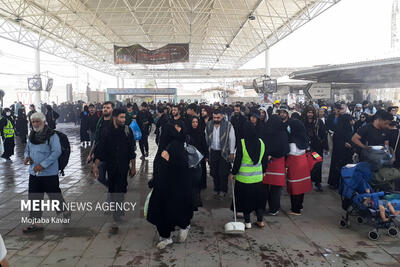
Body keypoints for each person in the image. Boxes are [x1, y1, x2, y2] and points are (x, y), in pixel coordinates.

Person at [147, 122, 193, 249]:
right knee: (164, 211)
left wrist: (169, 160)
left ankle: (181, 228)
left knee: (168, 211)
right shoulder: (169, 145)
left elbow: (182, 166)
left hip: (172, 186)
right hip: (166, 186)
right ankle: (167, 236)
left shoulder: (174, 146)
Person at [23, 112, 70, 233]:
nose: (35, 124)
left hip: (49, 173)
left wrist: (42, 165)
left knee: (54, 195)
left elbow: (56, 152)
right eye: (33, 122)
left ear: (44, 122)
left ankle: (65, 210)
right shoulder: (31, 135)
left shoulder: (52, 136)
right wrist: (26, 157)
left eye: (38, 121)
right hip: (34, 173)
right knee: (34, 197)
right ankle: (36, 222)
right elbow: (27, 149)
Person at [93, 108, 136, 234]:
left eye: (124, 117)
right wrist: (95, 166)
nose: (123, 120)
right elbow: (100, 150)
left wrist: (133, 167)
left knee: (121, 189)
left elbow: (131, 151)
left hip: (123, 167)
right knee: (113, 189)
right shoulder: (106, 131)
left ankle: (118, 213)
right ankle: (117, 215)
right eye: (121, 117)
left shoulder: (128, 131)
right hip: (111, 167)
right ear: (115, 118)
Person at [230, 122, 268, 229]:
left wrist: (233, 173)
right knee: (259, 201)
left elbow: (237, 161)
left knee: (245, 201)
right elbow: (264, 160)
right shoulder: (261, 142)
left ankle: (247, 223)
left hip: (244, 179)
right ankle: (260, 221)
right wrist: (264, 171)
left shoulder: (242, 143)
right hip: (258, 178)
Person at [262, 114, 289, 216]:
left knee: (264, 187)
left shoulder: (265, 132)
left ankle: (261, 207)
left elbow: (262, 146)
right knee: (276, 189)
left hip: (267, 162)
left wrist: (268, 154)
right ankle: (274, 209)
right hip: (278, 163)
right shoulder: (283, 133)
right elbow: (285, 149)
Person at [205, 109, 236, 198]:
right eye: (214, 117)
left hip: (224, 152)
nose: (216, 119)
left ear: (222, 116)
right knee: (214, 172)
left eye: (218, 117)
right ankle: (216, 188)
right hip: (213, 151)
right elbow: (206, 137)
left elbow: (232, 139)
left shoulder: (228, 125)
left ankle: (223, 189)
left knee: (223, 172)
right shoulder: (209, 124)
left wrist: (232, 152)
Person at [285, 119, 312, 216]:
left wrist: (286, 165)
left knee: (294, 187)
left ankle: (295, 209)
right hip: (303, 163)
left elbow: (292, 154)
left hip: (295, 164)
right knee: (301, 187)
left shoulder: (292, 140)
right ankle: (300, 206)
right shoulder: (304, 138)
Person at [327, 104, 354, 190]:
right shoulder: (333, 117)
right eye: (337, 109)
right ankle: (334, 182)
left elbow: (349, 130)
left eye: (341, 109)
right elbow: (333, 129)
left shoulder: (346, 117)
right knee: (336, 162)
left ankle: (343, 182)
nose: (338, 110)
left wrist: (348, 141)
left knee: (344, 163)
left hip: (345, 143)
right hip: (337, 142)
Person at [302, 106, 328, 191]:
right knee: (306, 165)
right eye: (309, 112)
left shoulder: (319, 122)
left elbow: (324, 135)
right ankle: (307, 182)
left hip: (317, 148)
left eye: (312, 112)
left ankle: (318, 182)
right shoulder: (302, 122)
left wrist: (325, 146)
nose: (310, 114)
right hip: (306, 148)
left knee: (318, 164)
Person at [187, 116, 208, 197]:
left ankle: (201, 185)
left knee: (201, 171)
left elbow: (204, 144)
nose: (195, 124)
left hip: (200, 155)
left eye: (196, 122)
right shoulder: (187, 132)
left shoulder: (201, 132)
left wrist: (206, 155)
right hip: (190, 155)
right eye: (193, 122)